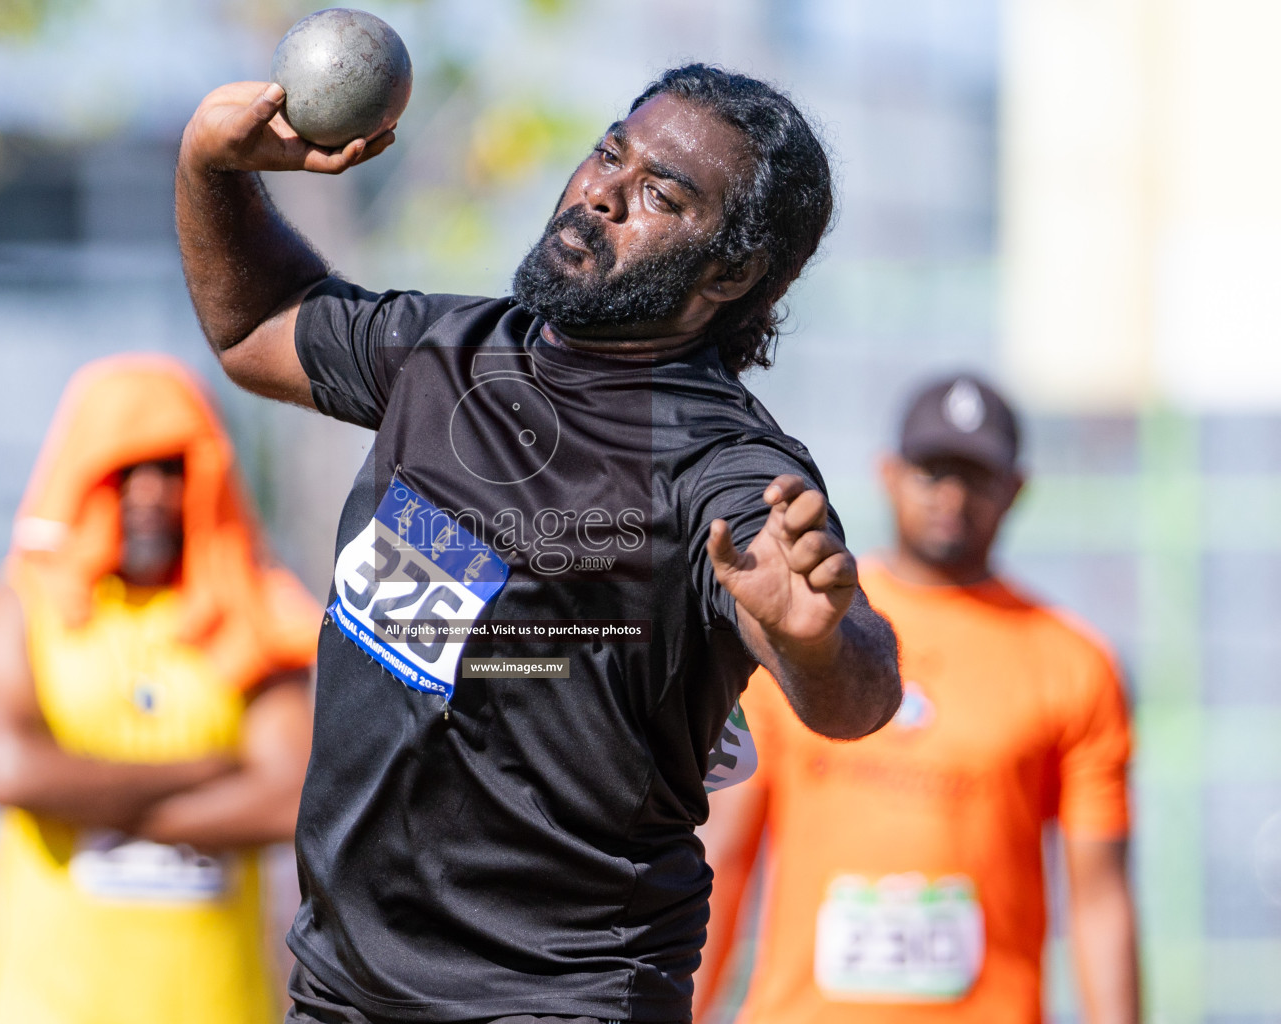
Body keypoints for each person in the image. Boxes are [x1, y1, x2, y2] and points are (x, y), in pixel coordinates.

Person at [174, 63, 904, 1024]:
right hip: (344, 992)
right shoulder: (447, 356)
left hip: (558, 998)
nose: (602, 191)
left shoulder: (720, 464)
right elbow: (256, 326)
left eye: (657, 194)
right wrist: (210, 166)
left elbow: (857, 696)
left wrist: (815, 640)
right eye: (610, 151)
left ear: (729, 274)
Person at [695, 374, 1140, 1024]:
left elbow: (1100, 898)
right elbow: (722, 857)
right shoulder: (808, 628)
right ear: (889, 474)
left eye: (976, 476)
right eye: (933, 472)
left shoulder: (1074, 664)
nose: (952, 497)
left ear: (1015, 490)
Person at [0, 354, 322, 1024]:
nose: (149, 493)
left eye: (170, 468)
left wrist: (89, 803)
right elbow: (11, 770)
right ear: (81, 474)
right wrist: (211, 768)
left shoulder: (253, 612)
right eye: (125, 469)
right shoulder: (16, 607)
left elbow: (290, 799)